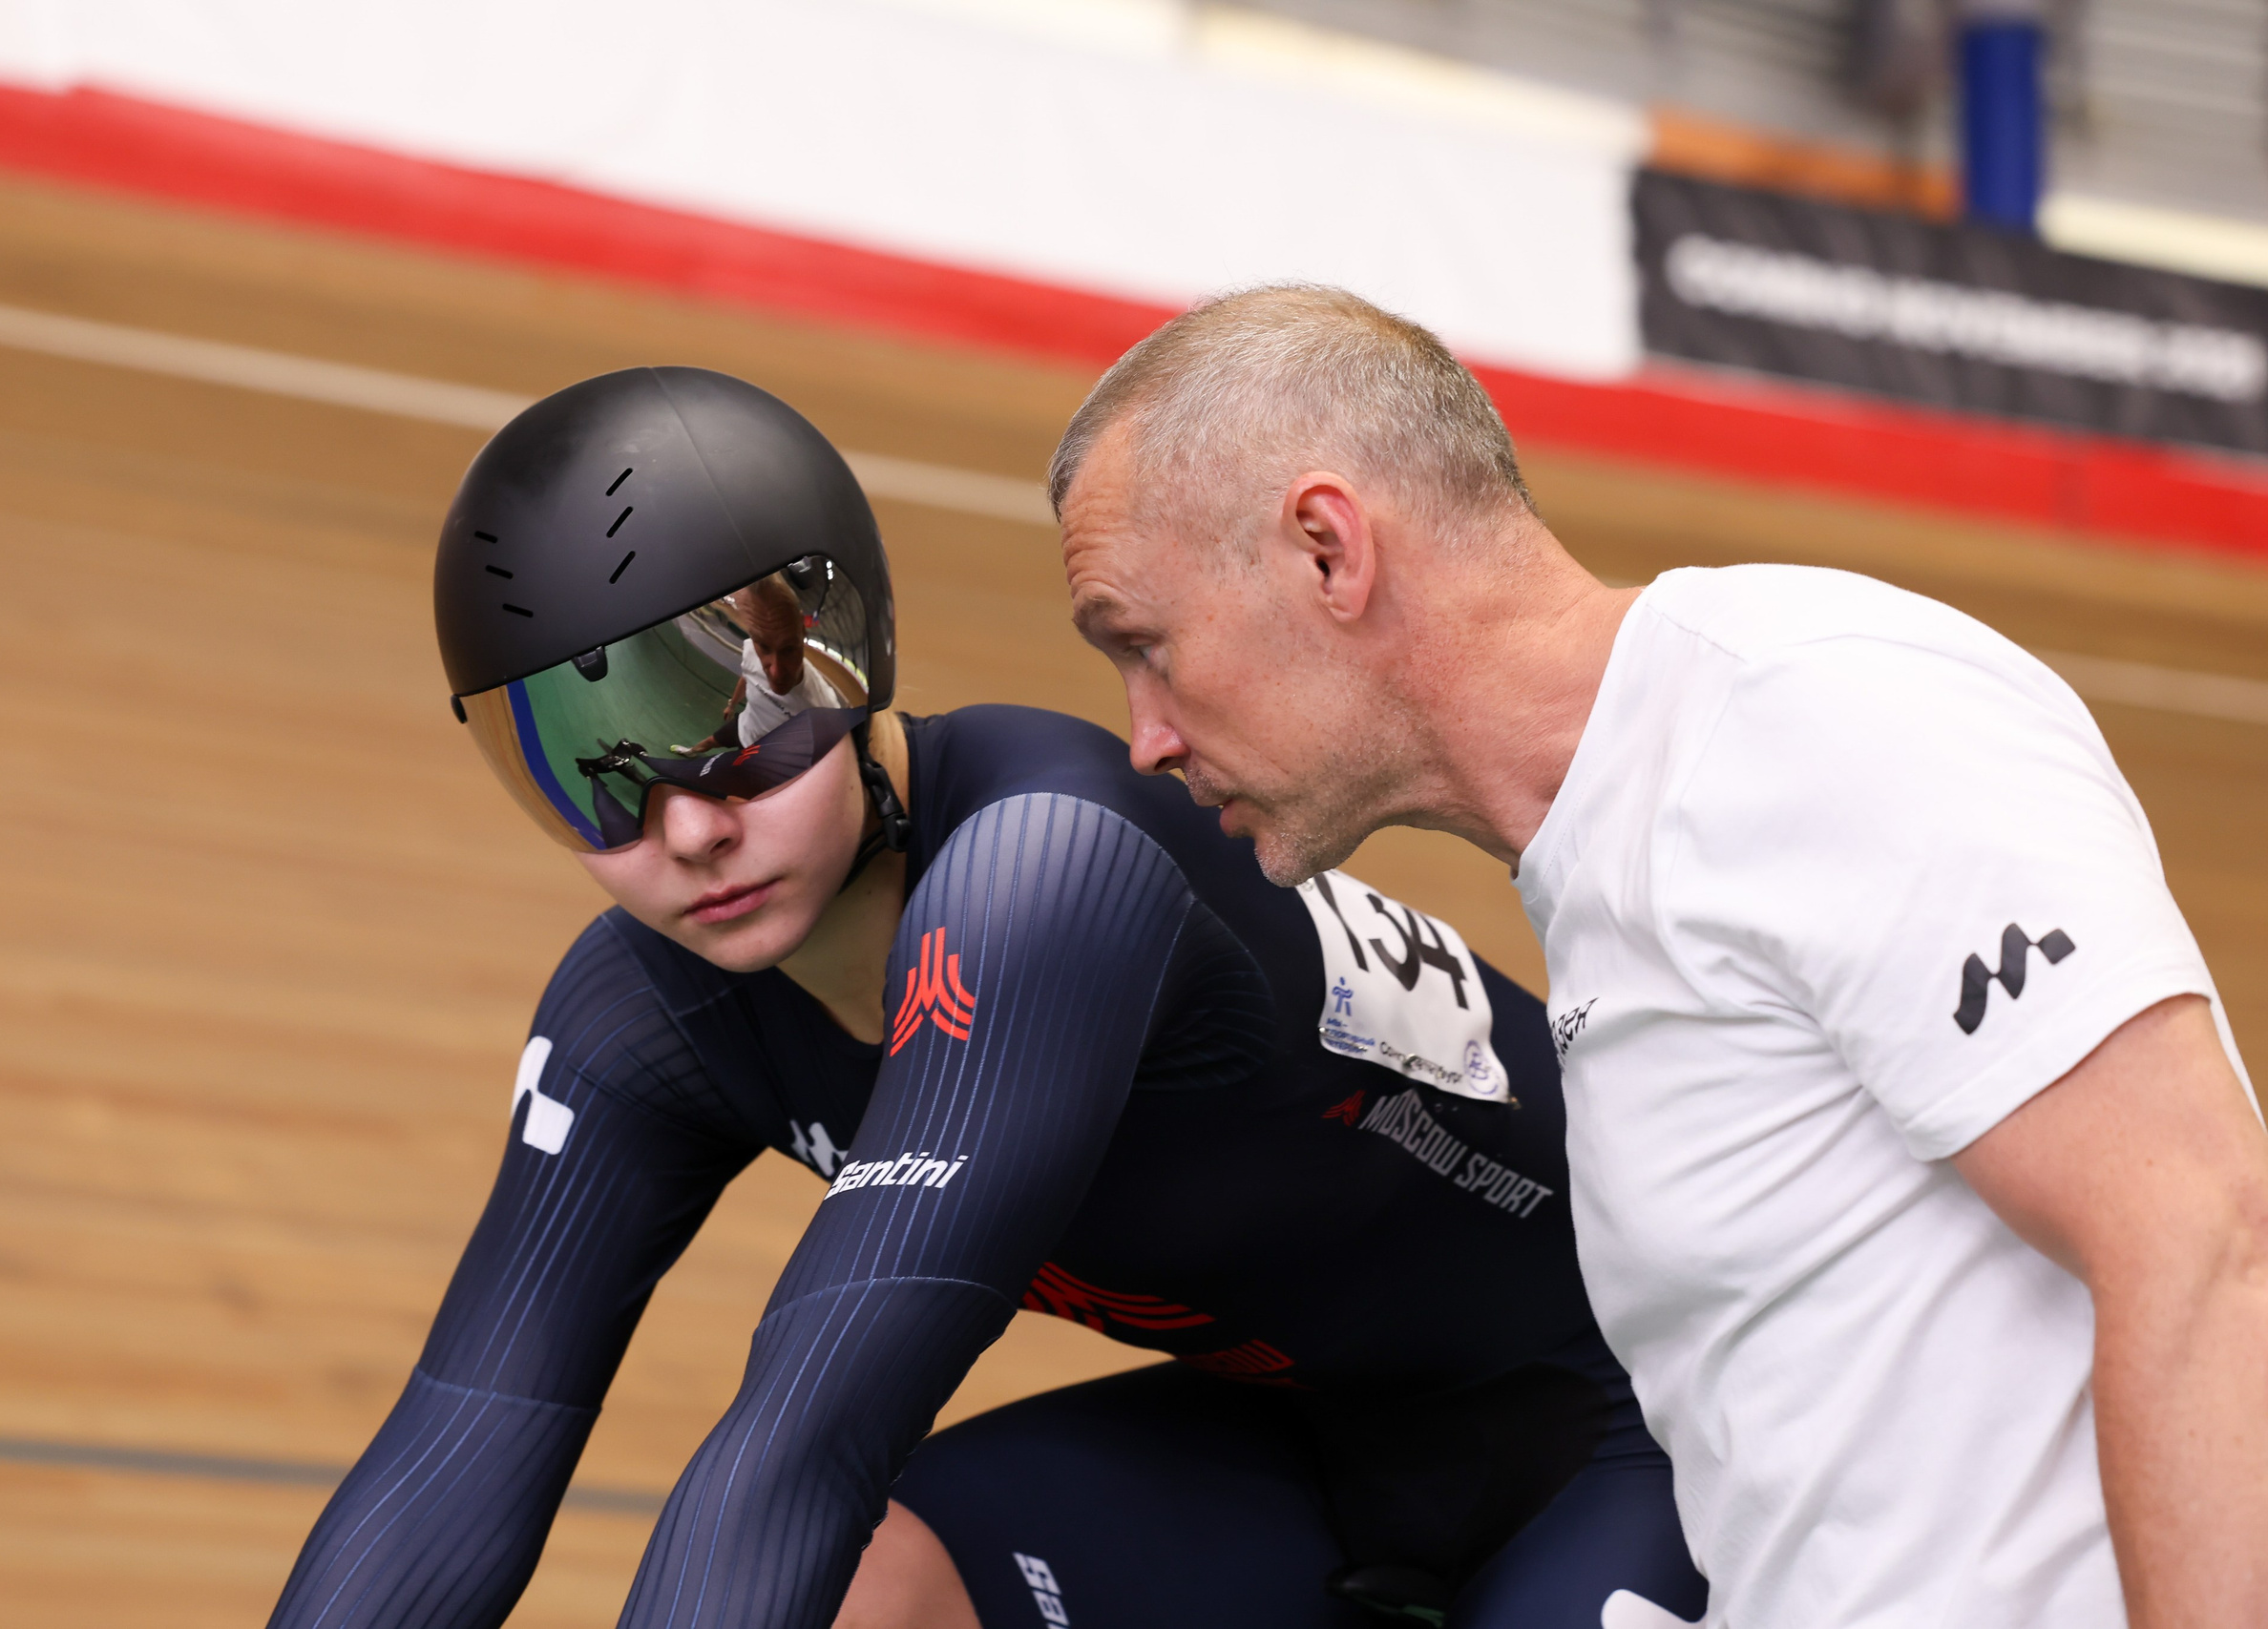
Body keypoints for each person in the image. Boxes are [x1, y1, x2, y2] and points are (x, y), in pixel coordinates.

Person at [264, 366, 1706, 1629]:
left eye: (739, 726)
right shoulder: (645, 1013)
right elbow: (460, 1446)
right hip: (1297, 1439)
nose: (690, 827)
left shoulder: (1047, 878)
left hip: (1635, 1419)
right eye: (595, 778)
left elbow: (804, 1439)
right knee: (862, 1594)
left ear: (856, 653)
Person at [1048, 284, 2268, 1629]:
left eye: (1143, 645)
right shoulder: (1613, 853)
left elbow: (2205, 1235)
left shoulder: (1815, 715)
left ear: (1330, 551)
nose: (1145, 734)